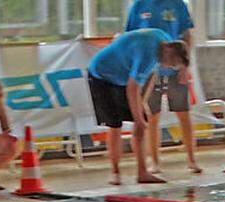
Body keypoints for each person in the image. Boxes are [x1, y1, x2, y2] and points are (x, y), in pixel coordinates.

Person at [85, 28, 189, 186]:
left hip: (123, 77)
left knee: (141, 122)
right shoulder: (147, 53)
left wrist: (143, 104)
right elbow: (132, 88)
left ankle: (142, 172)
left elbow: (153, 75)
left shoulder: (165, 40)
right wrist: (138, 117)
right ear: (169, 51)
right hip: (101, 75)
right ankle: (115, 172)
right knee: (115, 124)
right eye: (173, 64)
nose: (170, 68)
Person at [125, 0, 199, 175]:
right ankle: (154, 162)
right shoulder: (139, 5)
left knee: (184, 114)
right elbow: (130, 37)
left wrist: (184, 66)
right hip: (149, 69)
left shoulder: (178, 4)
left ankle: (191, 159)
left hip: (174, 67)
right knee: (152, 117)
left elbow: (186, 34)